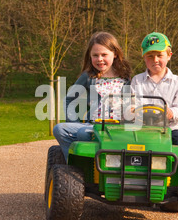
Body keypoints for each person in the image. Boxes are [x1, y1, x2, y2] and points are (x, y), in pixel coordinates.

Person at [53, 31, 132, 160]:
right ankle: (74, 163)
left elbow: (131, 104)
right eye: (95, 55)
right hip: (93, 126)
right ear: (90, 57)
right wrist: (74, 121)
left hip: (118, 127)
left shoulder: (125, 78)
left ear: (115, 54)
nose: (100, 59)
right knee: (60, 129)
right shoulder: (88, 76)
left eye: (104, 54)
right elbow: (69, 99)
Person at [131, 32, 178, 146]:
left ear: (169, 56)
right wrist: (133, 110)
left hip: (170, 128)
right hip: (143, 128)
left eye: (159, 55)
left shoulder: (177, 82)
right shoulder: (137, 81)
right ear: (144, 57)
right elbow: (132, 104)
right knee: (124, 141)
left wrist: (172, 112)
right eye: (150, 56)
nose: (155, 60)